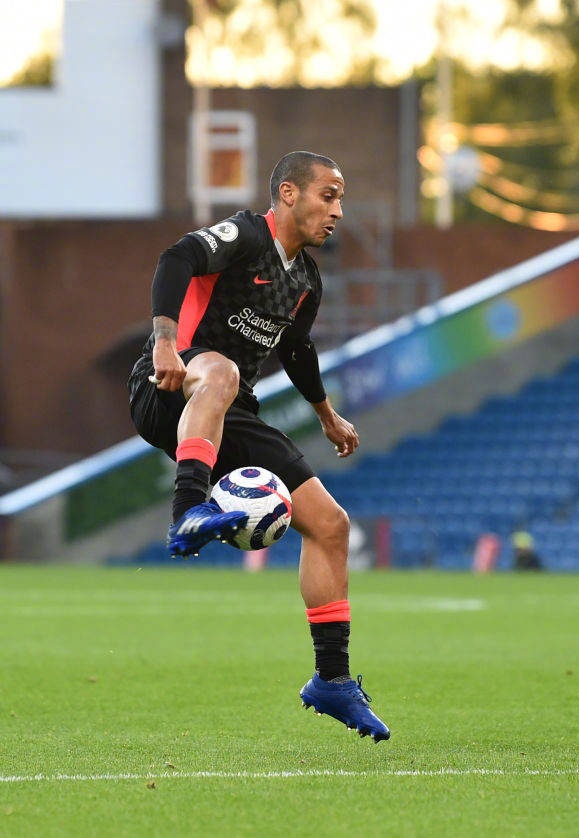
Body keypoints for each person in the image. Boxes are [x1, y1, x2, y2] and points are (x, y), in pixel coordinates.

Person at [127, 151, 390, 742]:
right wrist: (165, 342)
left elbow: (295, 348)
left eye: (341, 199)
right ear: (289, 194)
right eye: (329, 195)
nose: (338, 211)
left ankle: (332, 680)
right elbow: (176, 258)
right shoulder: (245, 235)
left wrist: (326, 415)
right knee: (220, 373)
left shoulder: (307, 281)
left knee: (330, 523)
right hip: (166, 382)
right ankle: (188, 507)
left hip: (226, 407)